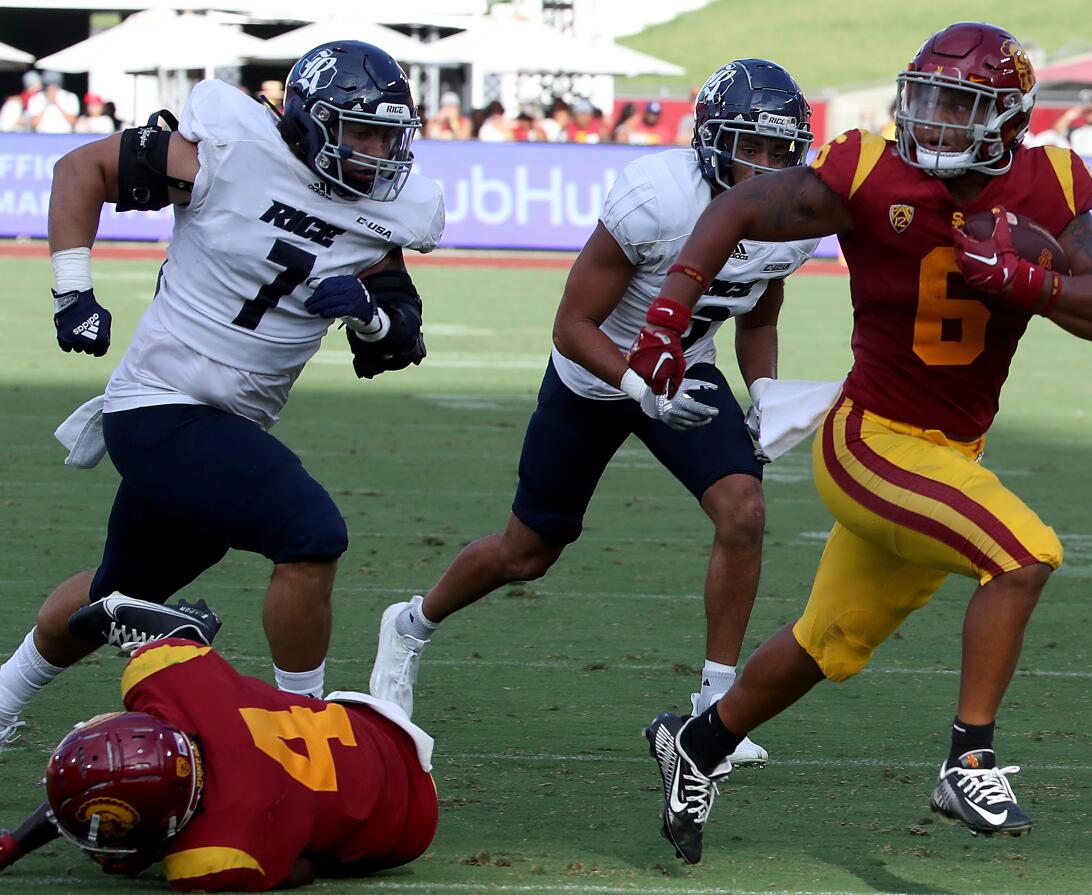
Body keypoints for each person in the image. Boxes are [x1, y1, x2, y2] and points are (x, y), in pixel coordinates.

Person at [630, 22, 1092, 863]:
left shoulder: (1049, 184)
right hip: (871, 442)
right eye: (927, 97)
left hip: (949, 454)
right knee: (1023, 554)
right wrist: (669, 309)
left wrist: (1031, 281)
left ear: (1008, 119)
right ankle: (968, 756)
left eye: (959, 103)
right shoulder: (871, 168)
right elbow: (743, 204)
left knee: (829, 641)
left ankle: (699, 744)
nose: (933, 119)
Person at [369, 59, 820, 769]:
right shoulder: (658, 197)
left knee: (745, 510)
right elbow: (572, 323)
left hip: (687, 368)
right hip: (597, 375)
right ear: (709, 139)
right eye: (749, 146)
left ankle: (715, 710)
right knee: (527, 551)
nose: (765, 166)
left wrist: (763, 390)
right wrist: (643, 388)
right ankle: (410, 625)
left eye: (779, 151)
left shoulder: (793, 216)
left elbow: (757, 316)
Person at [0, 40, 444, 748]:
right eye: (362, 131)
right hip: (160, 404)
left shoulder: (387, 212)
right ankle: (305, 732)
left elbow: (400, 340)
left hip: (226, 429)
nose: (379, 150)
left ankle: (1, 694)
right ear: (309, 120)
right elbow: (81, 168)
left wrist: (370, 314)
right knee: (312, 533)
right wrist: (72, 292)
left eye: (390, 133)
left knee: (115, 592)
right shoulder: (232, 147)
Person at [0, 608, 438, 890]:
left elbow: (301, 868)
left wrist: (152, 847)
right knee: (164, 665)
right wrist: (14, 843)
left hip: (407, 824)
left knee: (311, 844)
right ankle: (183, 629)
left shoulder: (212, 857)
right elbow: (114, 778)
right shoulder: (170, 684)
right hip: (362, 724)